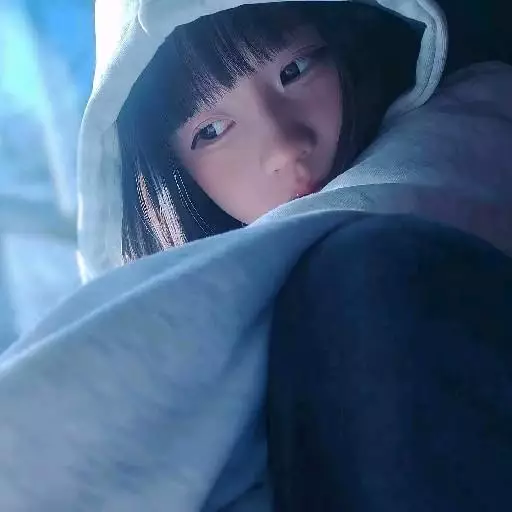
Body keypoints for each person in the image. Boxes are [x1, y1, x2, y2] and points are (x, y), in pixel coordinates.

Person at [0, 1, 511, 511]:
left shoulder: (469, 128)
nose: (284, 146)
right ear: (176, 174)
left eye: (295, 69)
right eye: (211, 131)